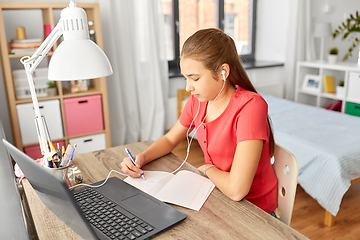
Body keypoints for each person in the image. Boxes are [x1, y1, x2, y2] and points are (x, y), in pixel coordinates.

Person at [121, 28, 278, 214]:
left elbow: (237, 191)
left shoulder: (250, 107)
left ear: (223, 72)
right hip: (218, 194)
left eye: (194, 78)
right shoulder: (198, 102)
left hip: (254, 211)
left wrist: (207, 169)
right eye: (186, 78)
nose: (188, 87)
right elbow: (170, 139)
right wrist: (141, 158)